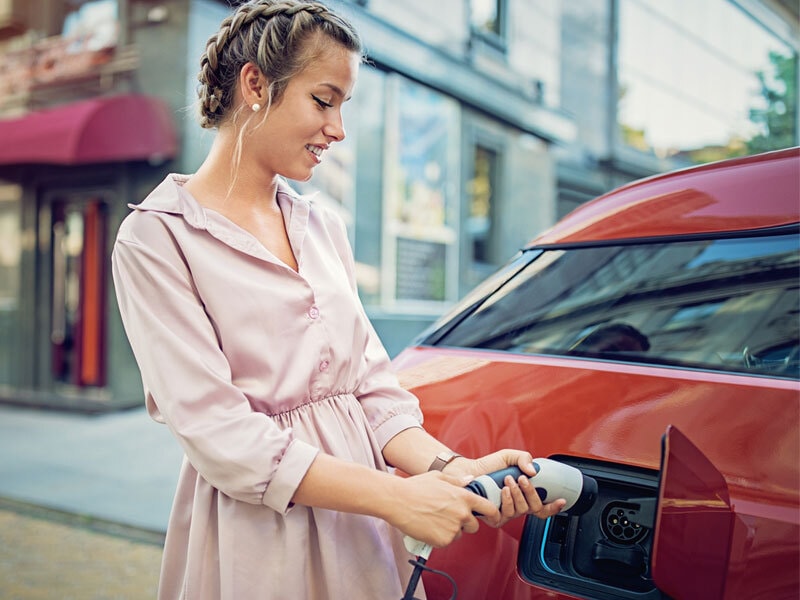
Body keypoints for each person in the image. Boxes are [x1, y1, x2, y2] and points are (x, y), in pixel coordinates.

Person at [111, 2, 565, 598]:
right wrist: (397, 497)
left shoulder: (324, 226)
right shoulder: (156, 237)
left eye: (344, 107)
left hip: (367, 528)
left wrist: (452, 471)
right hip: (261, 532)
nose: (338, 129)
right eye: (324, 101)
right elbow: (218, 433)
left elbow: (370, 388)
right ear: (254, 84)